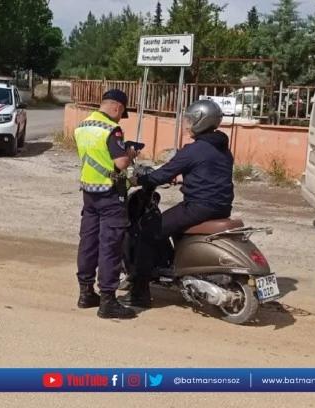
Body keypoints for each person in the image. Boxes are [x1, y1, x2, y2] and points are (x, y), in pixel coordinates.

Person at [123, 99, 235, 308]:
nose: (187, 125)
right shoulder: (222, 148)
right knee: (171, 227)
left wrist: (137, 180)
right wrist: (185, 178)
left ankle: (140, 293)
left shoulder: (194, 150)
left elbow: (162, 174)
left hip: (198, 206)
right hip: (222, 206)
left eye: (190, 121)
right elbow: (211, 173)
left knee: (147, 231)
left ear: (201, 122)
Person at [74, 89, 139, 319]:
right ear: (118, 107)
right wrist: (130, 153)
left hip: (89, 192)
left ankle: (85, 293)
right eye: (122, 113)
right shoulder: (113, 129)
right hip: (111, 195)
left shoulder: (82, 126)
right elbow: (120, 163)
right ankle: (108, 301)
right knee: (110, 246)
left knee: (88, 242)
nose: (121, 117)